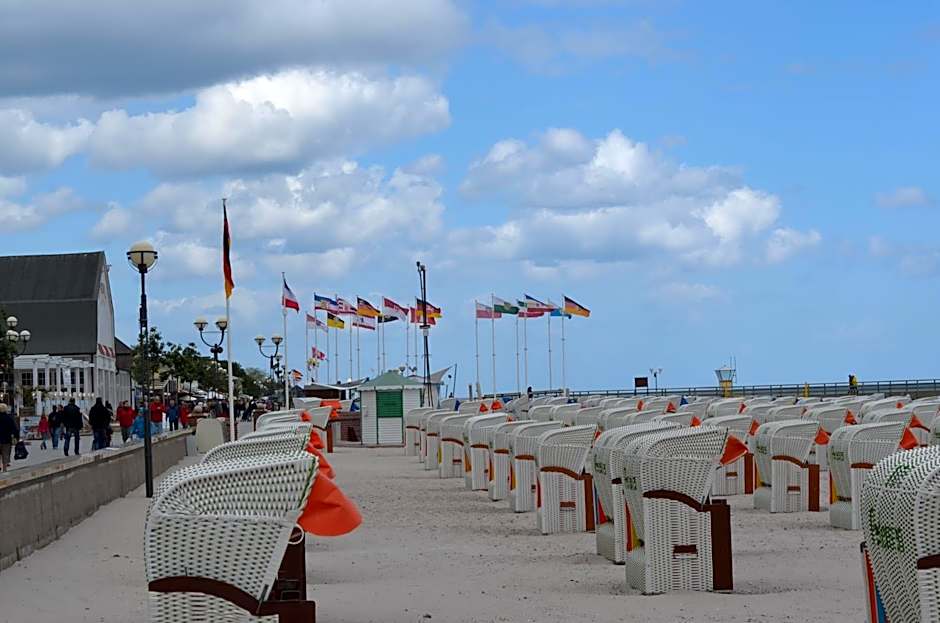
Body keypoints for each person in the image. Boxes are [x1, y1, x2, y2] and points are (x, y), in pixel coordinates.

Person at [0, 403, 19, 472]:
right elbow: (15, 429)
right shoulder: (9, 418)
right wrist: (17, 437)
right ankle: (4, 468)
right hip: (6, 439)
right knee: (5, 453)